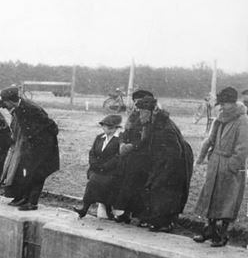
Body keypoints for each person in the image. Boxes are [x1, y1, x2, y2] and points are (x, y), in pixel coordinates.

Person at [192, 86, 248, 247]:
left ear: (232, 103)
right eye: (220, 104)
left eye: (224, 104)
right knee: (211, 196)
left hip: (230, 166)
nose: (221, 107)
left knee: (227, 200)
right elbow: (210, 139)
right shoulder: (221, 117)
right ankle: (209, 229)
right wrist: (202, 157)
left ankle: (223, 234)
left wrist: (231, 166)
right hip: (215, 162)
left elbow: (243, 147)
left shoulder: (242, 120)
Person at [127, 95, 192, 232]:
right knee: (156, 187)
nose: (140, 116)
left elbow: (174, 152)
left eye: (143, 112)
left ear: (150, 112)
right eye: (139, 112)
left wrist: (165, 171)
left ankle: (165, 223)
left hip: (175, 161)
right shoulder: (154, 123)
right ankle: (158, 220)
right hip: (164, 159)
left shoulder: (164, 128)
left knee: (164, 188)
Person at [0, 87, 60, 210]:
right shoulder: (19, 108)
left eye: (4, 101)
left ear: (10, 101)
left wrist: (39, 140)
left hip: (43, 146)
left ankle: (32, 203)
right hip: (32, 145)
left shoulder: (32, 108)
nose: (4, 104)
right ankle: (25, 199)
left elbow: (52, 126)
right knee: (27, 172)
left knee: (37, 173)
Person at [74, 113, 123, 219]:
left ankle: (87, 209)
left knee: (96, 182)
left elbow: (117, 157)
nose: (105, 129)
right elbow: (92, 152)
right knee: (94, 180)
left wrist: (104, 167)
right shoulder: (99, 137)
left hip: (111, 171)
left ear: (115, 128)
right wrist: (94, 163)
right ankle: (86, 208)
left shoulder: (119, 139)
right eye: (104, 126)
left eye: (108, 127)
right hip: (96, 169)